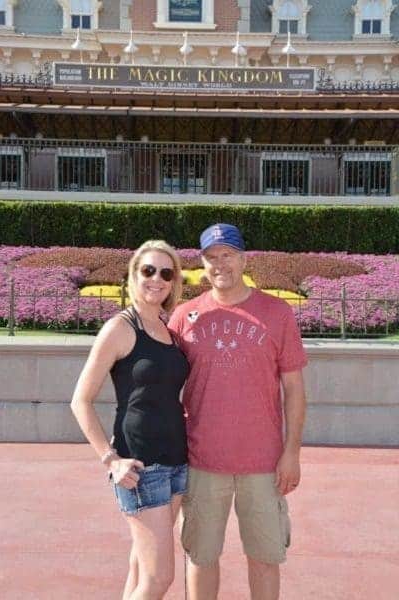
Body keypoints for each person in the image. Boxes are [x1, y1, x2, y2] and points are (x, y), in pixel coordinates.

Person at [168, 223, 307, 600]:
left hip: (263, 464)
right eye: (211, 258)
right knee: (200, 557)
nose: (219, 265)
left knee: (264, 559)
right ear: (202, 264)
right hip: (201, 461)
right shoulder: (184, 317)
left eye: (227, 255)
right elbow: (162, 384)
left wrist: (291, 452)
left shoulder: (277, 313)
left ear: (244, 259)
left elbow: (294, 389)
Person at [71, 240, 190, 600]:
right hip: (141, 467)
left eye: (166, 273)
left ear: (174, 282)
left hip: (175, 463)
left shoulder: (168, 331)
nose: (157, 279)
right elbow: (80, 401)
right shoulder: (121, 328)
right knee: (159, 578)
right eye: (148, 271)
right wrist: (111, 460)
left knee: (140, 567)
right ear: (133, 276)